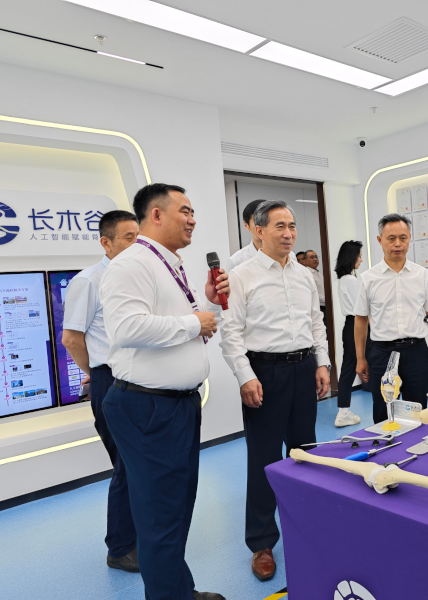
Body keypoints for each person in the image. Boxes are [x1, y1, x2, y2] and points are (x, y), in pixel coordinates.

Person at [100, 184, 230, 600]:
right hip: (148, 407)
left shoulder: (167, 263)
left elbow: (180, 327)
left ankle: (178, 591)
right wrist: (194, 323)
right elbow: (127, 329)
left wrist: (208, 307)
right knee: (160, 517)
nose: (193, 219)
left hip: (175, 406)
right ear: (155, 215)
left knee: (174, 509)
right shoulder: (131, 264)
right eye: (185, 211)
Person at [220, 200, 330, 581]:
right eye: (279, 226)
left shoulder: (304, 275)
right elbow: (230, 332)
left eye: (292, 226)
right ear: (259, 230)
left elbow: (316, 322)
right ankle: (262, 542)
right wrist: (245, 376)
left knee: (305, 453)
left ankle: (307, 525)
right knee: (264, 459)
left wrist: (322, 363)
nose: (288, 233)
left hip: (303, 368)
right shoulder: (241, 276)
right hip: (264, 372)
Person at [61, 210, 140, 573]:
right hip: (110, 380)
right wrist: (95, 372)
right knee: (125, 466)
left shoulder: (135, 276)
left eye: (138, 236)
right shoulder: (89, 280)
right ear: (105, 242)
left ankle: (136, 536)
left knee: (138, 465)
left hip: (137, 379)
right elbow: (71, 339)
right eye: (128, 237)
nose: (136, 244)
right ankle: (120, 548)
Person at [354, 214, 428, 424]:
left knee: (417, 409)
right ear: (380, 240)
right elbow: (361, 320)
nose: (397, 244)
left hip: (416, 351)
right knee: (383, 410)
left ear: (409, 238)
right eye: (391, 238)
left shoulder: (421, 274)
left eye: (403, 238)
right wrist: (360, 358)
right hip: (382, 353)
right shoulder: (368, 278)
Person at [334, 240, 364, 427]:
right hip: (357, 326)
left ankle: (343, 412)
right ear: (351, 257)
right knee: (375, 365)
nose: (361, 260)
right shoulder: (351, 280)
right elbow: (361, 309)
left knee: (348, 369)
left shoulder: (344, 279)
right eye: (359, 256)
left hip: (350, 326)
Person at [227, 198, 266, 270]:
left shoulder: (287, 255)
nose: (264, 226)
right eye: (257, 221)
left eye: (267, 221)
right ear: (246, 225)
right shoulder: (236, 261)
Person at [303, 249, 326, 315]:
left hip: (324, 306)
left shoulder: (317, 272)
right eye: (312, 257)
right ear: (305, 261)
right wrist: (326, 298)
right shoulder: (307, 274)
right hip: (318, 307)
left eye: (316, 257)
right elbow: (311, 292)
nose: (315, 259)